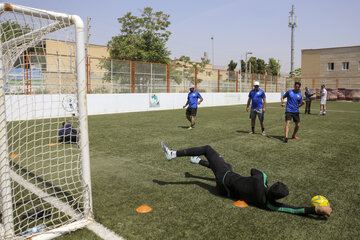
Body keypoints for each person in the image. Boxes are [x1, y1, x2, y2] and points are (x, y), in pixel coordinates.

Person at [160, 142, 332, 217]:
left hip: (225, 179)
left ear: (270, 185)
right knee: (227, 165)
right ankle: (196, 161)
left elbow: (253, 170)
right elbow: (294, 210)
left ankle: (172, 154)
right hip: (225, 191)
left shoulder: (260, 179)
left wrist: (263, 179)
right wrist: (317, 210)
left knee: (208, 149)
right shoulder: (269, 205)